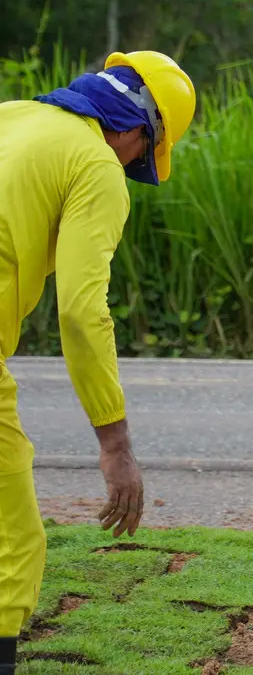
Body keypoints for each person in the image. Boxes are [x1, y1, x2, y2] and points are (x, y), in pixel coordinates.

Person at [1, 52, 196, 673]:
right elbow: (83, 312)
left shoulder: (12, 117)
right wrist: (115, 443)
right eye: (139, 156)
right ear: (136, 129)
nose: (131, 166)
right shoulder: (94, 165)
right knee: (14, 545)